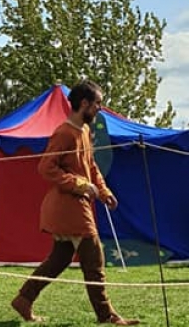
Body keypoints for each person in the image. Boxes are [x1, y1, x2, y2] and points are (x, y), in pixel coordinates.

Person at [11, 81, 139, 325]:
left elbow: (90, 167)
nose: (100, 108)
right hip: (69, 208)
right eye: (97, 104)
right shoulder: (64, 133)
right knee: (94, 259)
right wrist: (81, 185)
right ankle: (107, 316)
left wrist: (103, 191)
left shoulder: (83, 132)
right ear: (84, 104)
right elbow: (46, 168)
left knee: (58, 260)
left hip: (72, 206)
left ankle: (24, 299)